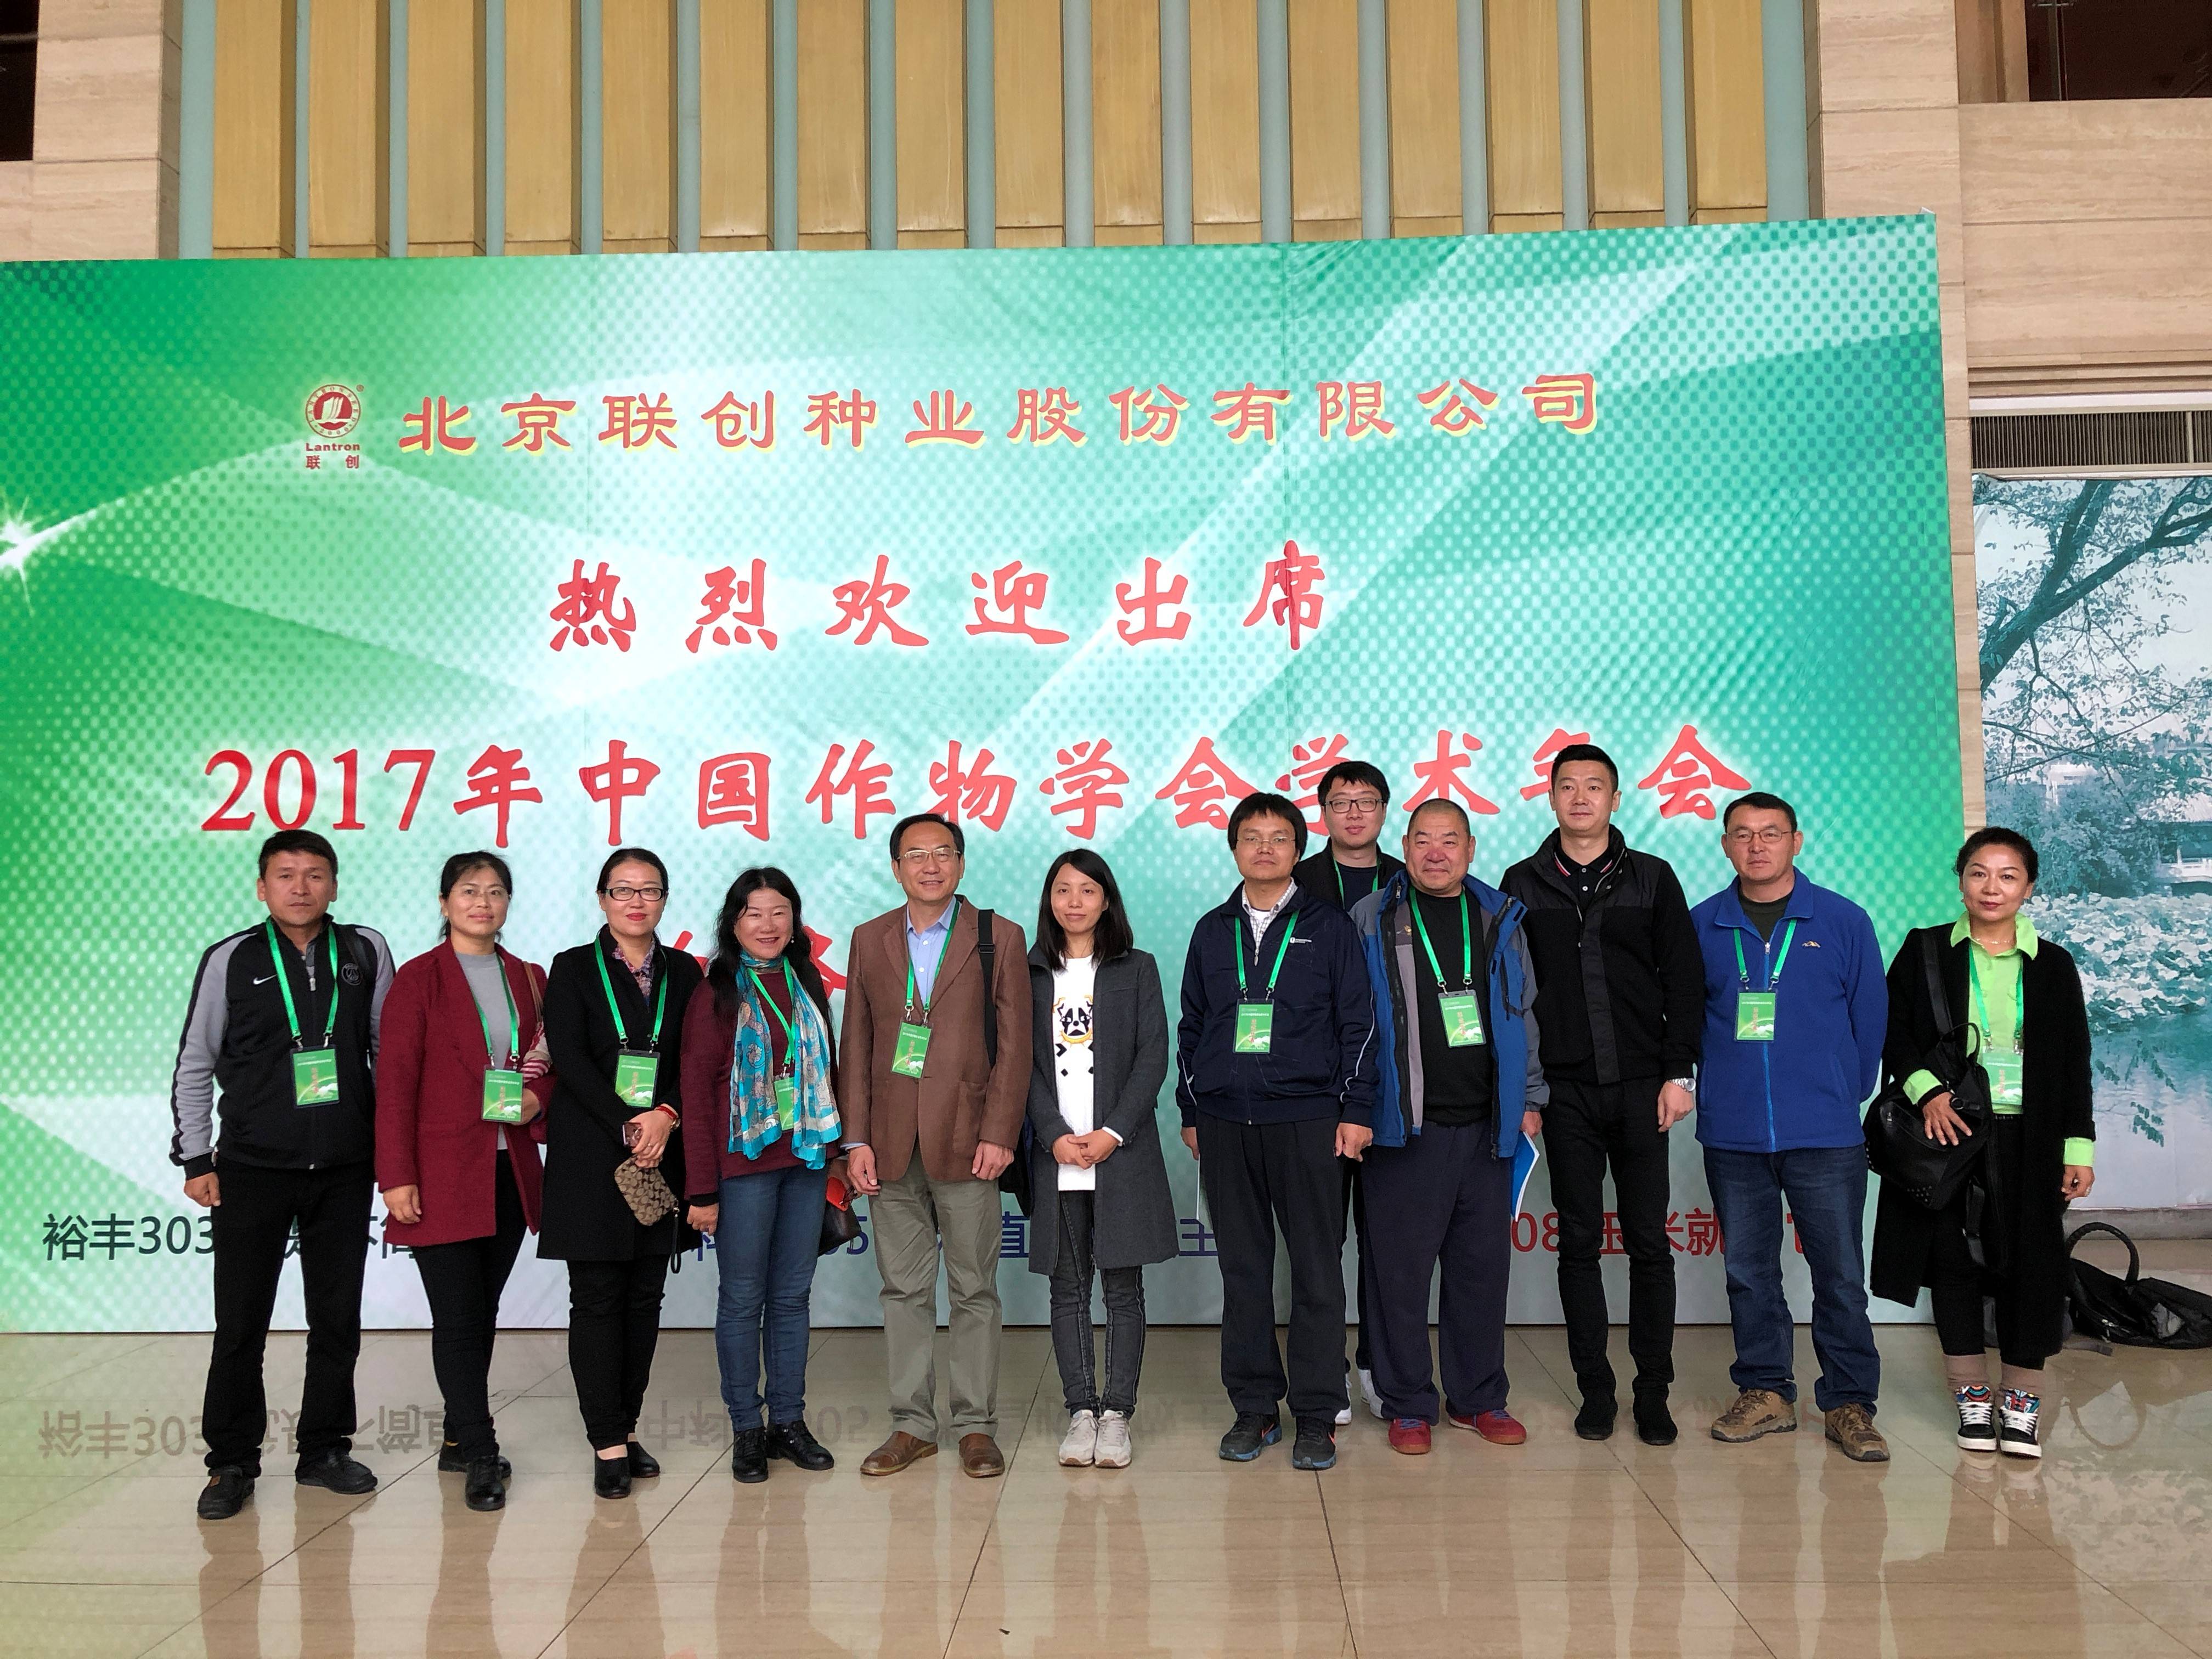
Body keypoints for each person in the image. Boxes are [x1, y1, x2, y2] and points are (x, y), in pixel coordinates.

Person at [171, 828, 395, 1521]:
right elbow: (195, 1061)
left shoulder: (365, 951)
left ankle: (324, 1449)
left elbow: (389, 1054)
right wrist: (196, 1157)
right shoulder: (232, 958)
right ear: (261, 886)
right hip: (251, 1168)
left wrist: (393, 1155)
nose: (301, 887)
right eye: (286, 874)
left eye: (315, 874)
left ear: (335, 884)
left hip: (344, 1167)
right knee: (241, 1322)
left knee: (337, 1319)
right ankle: (231, 1462)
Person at [1501, 743, 1702, 1446]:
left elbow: (1683, 978)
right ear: (1551, 797)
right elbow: (1512, 994)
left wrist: (1680, 1075)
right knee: (1578, 1243)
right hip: (1565, 1093)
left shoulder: (1653, 877)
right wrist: (1528, 1092)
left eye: (1595, 786)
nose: (1580, 797)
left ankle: (1653, 1392)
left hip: (1645, 1087)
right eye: (1568, 786)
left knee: (1650, 1243)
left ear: (1616, 800)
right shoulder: (1521, 883)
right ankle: (1596, 1389)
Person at [1871, 828, 2095, 1459]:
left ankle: (2021, 1402)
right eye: (1978, 873)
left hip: (2033, 1134)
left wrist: (2078, 1148)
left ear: (2029, 887)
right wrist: (1927, 1094)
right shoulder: (1925, 950)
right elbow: (1894, 1032)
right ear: (1961, 880)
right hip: (1950, 1129)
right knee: (1953, 1264)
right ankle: (1971, 1397)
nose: (1991, 887)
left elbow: (2073, 1061)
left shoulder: (2053, 965)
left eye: (2007, 876)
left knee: (2033, 1264)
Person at [1177, 792, 1377, 1472]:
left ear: (1298, 849)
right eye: (1252, 838)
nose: (1265, 849)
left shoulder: (1330, 927)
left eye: (1279, 838)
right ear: (1234, 848)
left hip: (1309, 1121)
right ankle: (1255, 1407)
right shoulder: (1211, 930)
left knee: (1317, 1271)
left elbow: (1358, 1023)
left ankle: (1317, 1413)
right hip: (1226, 1122)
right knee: (1244, 1272)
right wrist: (1192, 1110)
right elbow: (1192, 1026)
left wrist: (1355, 1110)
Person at [1691, 793, 1891, 1463]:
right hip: (1733, 1132)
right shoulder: (1702, 925)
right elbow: (1685, 1021)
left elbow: (1870, 1021)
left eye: (1771, 833)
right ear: (1726, 845)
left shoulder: (1842, 920)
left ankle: (1849, 1403)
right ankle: (1766, 1391)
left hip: (1826, 1133)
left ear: (1796, 841)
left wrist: (1839, 1094)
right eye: (1743, 834)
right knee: (1749, 1272)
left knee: (1839, 1275)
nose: (1757, 846)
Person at [839, 813, 1033, 1479]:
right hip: (890, 1142)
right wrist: (855, 1139)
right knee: (903, 1290)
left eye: (943, 853)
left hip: (968, 1138)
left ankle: (976, 1425)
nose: (930, 865)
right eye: (916, 855)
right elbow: (857, 1042)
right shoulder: (869, 938)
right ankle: (912, 1425)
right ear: (896, 867)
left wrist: (1000, 1133)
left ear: (961, 862)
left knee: (975, 1288)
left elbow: (1016, 1047)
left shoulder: (999, 936)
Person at [1352, 799, 1547, 1454]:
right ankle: (1407, 1402)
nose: (1436, 852)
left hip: (1488, 1125)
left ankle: (1478, 1398)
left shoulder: (1500, 916)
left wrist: (1530, 1096)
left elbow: (1524, 1013)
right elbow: (1351, 1020)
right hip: (1405, 1126)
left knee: (1480, 1271)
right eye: (1423, 840)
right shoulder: (1371, 917)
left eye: (1450, 840)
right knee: (1399, 1276)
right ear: (1404, 847)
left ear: (1470, 848)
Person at [376, 851, 553, 1513]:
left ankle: (457, 1435)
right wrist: (396, 1176)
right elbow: (394, 1084)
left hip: (509, 1168)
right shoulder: (418, 979)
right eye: (470, 891)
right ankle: (480, 1451)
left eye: (496, 891)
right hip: (441, 1170)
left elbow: (552, 1064)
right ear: (445, 902)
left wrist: (538, 1101)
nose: (483, 902)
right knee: (457, 1315)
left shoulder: (530, 978)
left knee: (482, 1311)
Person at [539, 848, 702, 1499]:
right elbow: (571, 1060)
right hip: (592, 1157)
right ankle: (606, 1441)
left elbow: (699, 1060)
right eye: (623, 890)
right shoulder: (572, 967)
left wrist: (665, 1116)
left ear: (664, 899)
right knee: (598, 1300)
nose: (636, 902)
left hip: (663, 1151)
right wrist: (629, 1125)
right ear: (602, 898)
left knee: (644, 1300)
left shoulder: (686, 971)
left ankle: (627, 1427)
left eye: (649, 890)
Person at [681, 868, 843, 1483]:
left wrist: (836, 1155)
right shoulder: (715, 992)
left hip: (804, 1161)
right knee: (743, 1298)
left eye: (780, 912)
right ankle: (747, 1427)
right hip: (743, 1169)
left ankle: (789, 1422)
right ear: (733, 923)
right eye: (754, 913)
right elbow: (697, 1096)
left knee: (793, 1296)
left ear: (794, 921)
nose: (768, 925)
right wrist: (701, 1189)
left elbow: (825, 1070)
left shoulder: (806, 981)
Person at [1024, 850, 1175, 1470]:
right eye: (1064, 890)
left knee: (1122, 1290)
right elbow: (1019, 1063)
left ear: (1106, 900)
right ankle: (1080, 1411)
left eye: (1088, 890)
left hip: (1120, 1152)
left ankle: (1117, 1415)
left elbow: (1153, 1054)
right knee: (1067, 1289)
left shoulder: (1136, 968)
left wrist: (1112, 1131)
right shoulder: (1030, 972)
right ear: (1050, 900)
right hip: (1056, 1154)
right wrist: (1053, 1132)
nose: (1075, 902)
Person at [1291, 758, 1404, 1421]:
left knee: (1386, 1238)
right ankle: (1324, 1365)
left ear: (1385, 811)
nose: (1354, 812)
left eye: (1366, 801)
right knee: (1320, 1238)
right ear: (1323, 813)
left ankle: (1378, 1365)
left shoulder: (1410, 878)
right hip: (1314, 1089)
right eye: (1341, 801)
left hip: (1395, 1086)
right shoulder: (1298, 882)